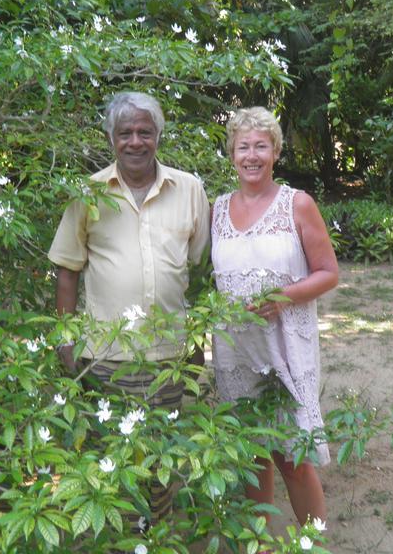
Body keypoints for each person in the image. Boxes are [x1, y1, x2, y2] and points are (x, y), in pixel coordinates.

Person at [48, 91, 210, 522]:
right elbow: (67, 270)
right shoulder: (88, 193)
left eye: (145, 132)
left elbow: (196, 267)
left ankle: (152, 538)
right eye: (125, 133)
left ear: (158, 136)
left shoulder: (190, 189)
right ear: (111, 138)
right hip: (105, 357)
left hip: (169, 357)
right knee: (111, 462)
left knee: (161, 459)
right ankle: (121, 543)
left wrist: (197, 340)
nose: (135, 142)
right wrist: (66, 341)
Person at [210, 106, 338, 530]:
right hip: (236, 353)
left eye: (261, 146)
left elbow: (328, 273)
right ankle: (258, 543)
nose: (251, 155)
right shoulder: (216, 210)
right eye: (243, 146)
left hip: (284, 349)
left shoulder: (297, 204)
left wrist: (284, 297)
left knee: (293, 456)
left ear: (276, 152)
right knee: (252, 453)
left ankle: (311, 543)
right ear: (231, 153)